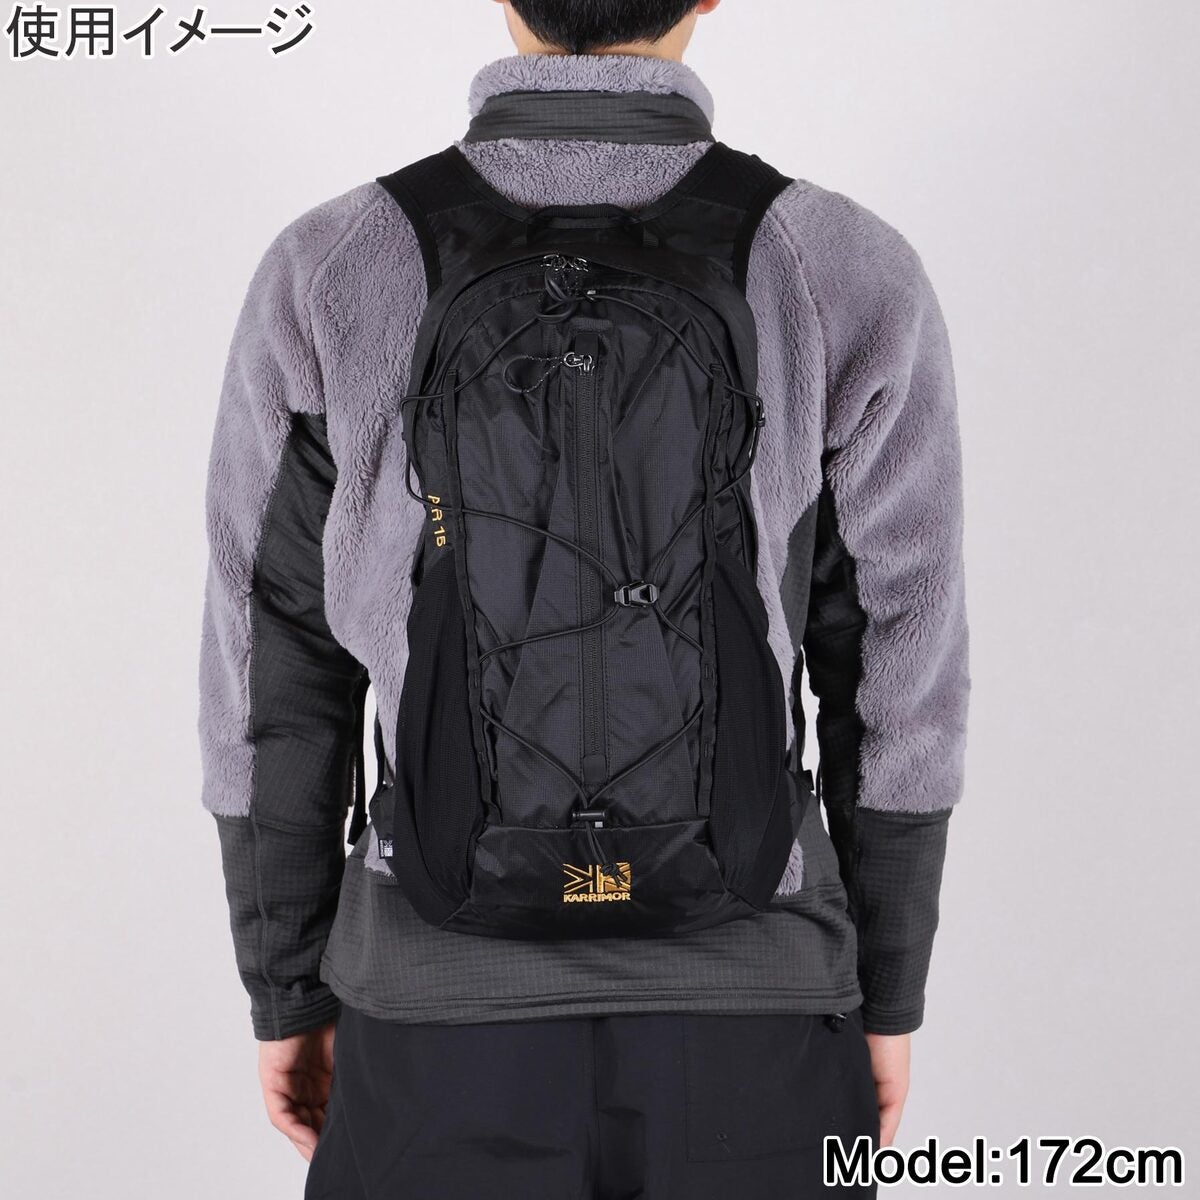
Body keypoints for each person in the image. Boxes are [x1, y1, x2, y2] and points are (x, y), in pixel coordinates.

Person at [198, 1, 970, 1195]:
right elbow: (898, 663)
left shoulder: (335, 262)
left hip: (432, 1016)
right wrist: (889, 987)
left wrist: (288, 988)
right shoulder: (842, 262)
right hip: (756, 1014)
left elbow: (272, 663)